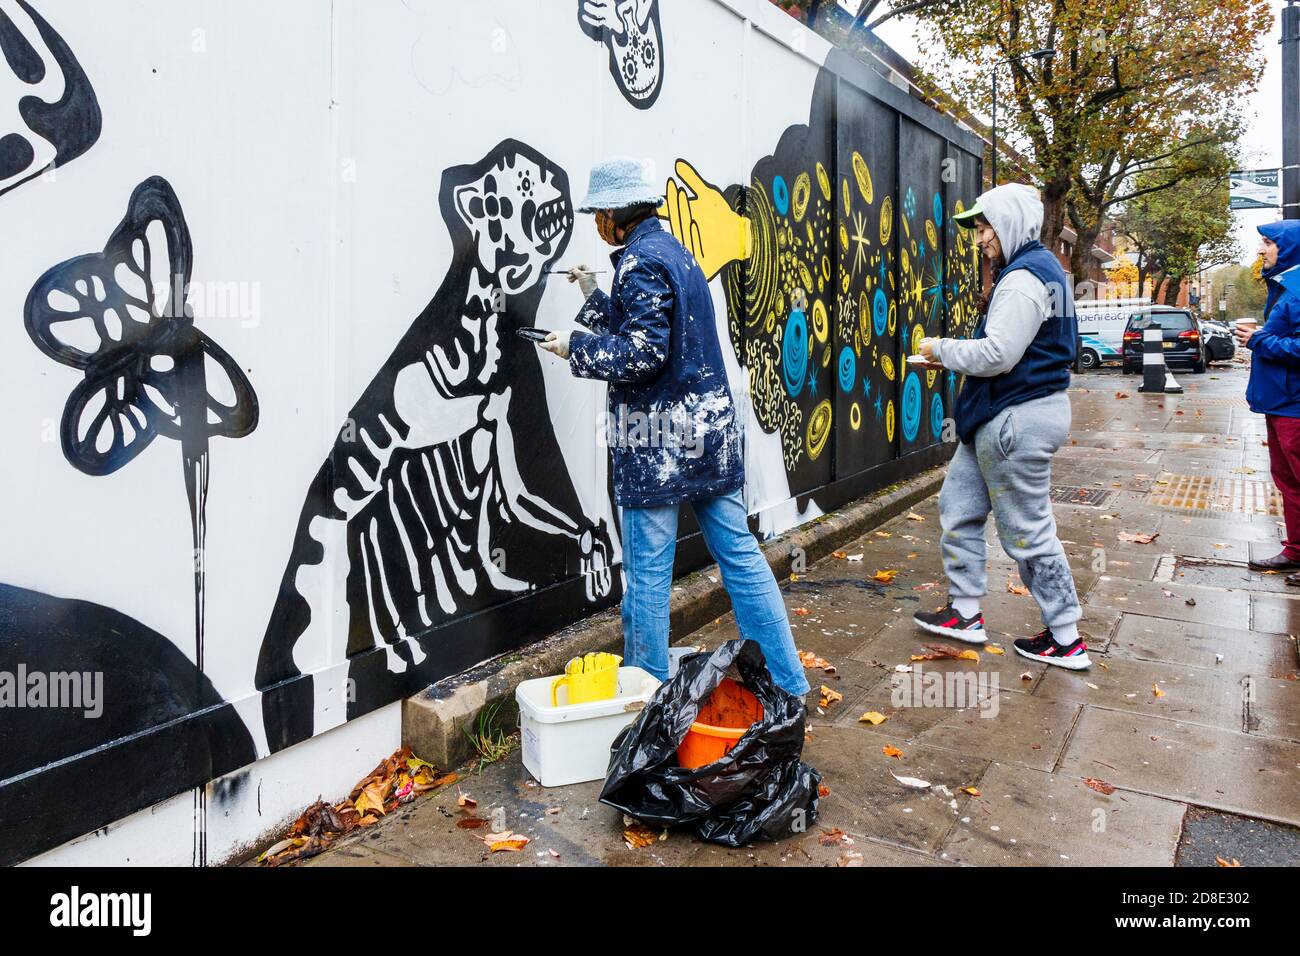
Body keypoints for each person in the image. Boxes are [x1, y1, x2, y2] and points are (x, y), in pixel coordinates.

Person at [536, 157, 810, 697]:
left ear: (616, 213)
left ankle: (650, 708)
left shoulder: (638, 263)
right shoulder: (674, 251)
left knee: (648, 579)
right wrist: (595, 294)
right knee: (741, 557)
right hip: (708, 433)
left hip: (657, 441)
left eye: (597, 213)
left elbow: (642, 355)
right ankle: (789, 684)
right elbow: (655, 329)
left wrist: (575, 347)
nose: (594, 223)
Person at [912, 183, 1090, 670]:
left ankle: (1066, 636)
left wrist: (941, 350)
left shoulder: (1023, 277)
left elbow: (998, 353)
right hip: (1000, 417)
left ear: (1009, 221)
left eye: (985, 226)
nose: (979, 238)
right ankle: (965, 612)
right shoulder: (1043, 270)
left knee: (1027, 531)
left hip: (1016, 420)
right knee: (959, 504)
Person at [1236, 221, 1300, 580]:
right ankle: (1295, 550)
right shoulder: (1287, 287)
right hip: (1280, 401)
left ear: (1288, 248)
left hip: (1294, 404)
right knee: (1287, 480)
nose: (1262, 250)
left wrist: (1259, 341)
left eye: (1268, 243)